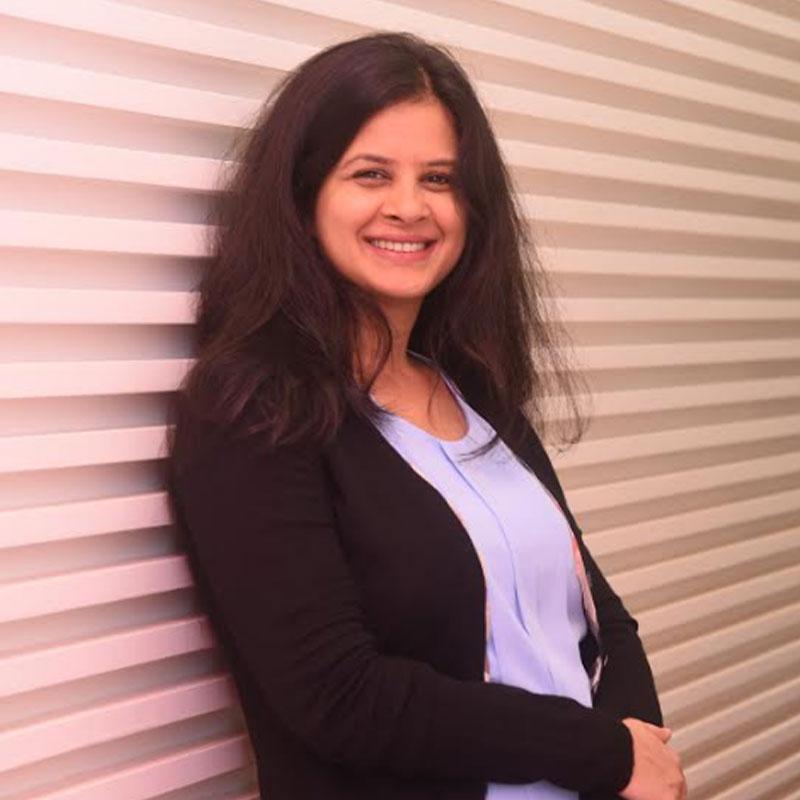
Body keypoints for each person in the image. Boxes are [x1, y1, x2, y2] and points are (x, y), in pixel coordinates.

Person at [165, 31, 686, 800]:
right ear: (305, 196)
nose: (409, 207)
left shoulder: (477, 393)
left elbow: (600, 620)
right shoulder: (251, 410)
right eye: (371, 173)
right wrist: (602, 752)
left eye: (439, 178)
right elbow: (341, 696)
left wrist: (639, 756)